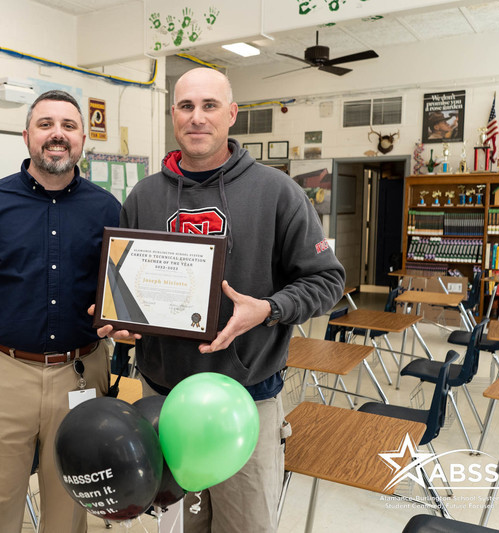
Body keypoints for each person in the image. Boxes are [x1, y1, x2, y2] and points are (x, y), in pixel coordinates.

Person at [99, 67, 345, 533]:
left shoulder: (278, 193)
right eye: (186, 106)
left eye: (209, 106)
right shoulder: (144, 196)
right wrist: (124, 324)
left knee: (244, 526)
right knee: (182, 524)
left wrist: (269, 309)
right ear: (173, 114)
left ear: (232, 114)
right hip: (164, 401)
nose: (197, 117)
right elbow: (125, 289)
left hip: (246, 402)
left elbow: (327, 281)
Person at [0, 90, 121, 533]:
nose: (57, 135)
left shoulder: (106, 209)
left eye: (68, 126)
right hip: (2, 374)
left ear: (82, 138)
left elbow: (120, 293)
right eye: (46, 124)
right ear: (26, 135)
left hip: (82, 372)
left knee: (72, 503)